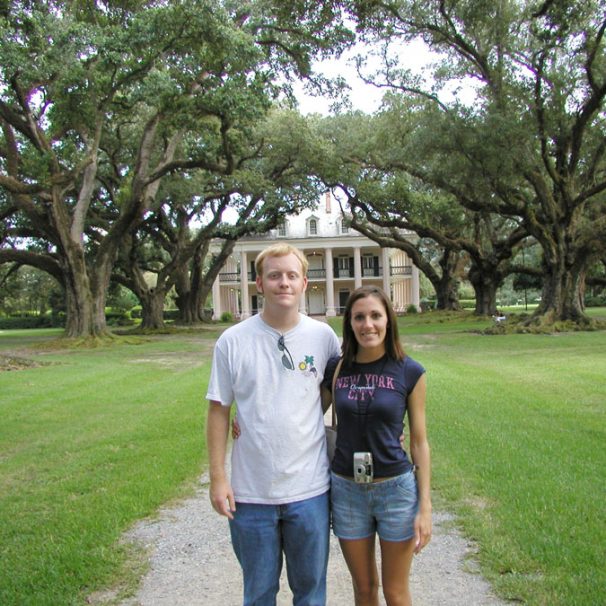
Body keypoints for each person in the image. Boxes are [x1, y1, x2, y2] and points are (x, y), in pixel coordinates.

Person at [206, 243, 340, 606]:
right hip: (251, 495)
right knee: (259, 593)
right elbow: (218, 409)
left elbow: (341, 391)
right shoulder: (232, 341)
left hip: (310, 491)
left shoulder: (324, 338)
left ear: (304, 283)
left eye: (291, 275)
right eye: (275, 275)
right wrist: (218, 478)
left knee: (310, 593)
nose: (284, 282)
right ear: (259, 283)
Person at [323, 285, 432, 606]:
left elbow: (420, 442)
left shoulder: (410, 371)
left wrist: (424, 506)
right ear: (350, 323)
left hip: (395, 492)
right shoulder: (338, 368)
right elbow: (303, 414)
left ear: (389, 320)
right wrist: (248, 417)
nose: (367, 324)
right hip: (347, 491)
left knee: (395, 592)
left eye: (375, 316)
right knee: (364, 590)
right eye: (359, 317)